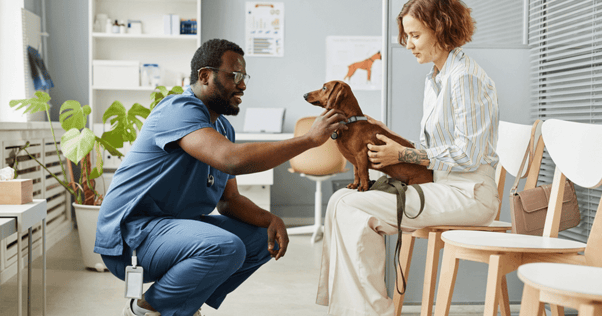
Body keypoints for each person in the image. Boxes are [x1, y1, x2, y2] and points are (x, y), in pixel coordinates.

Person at [95, 38, 347, 316]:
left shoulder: (223, 127)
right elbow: (232, 160)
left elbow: (229, 200)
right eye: (234, 76)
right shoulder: (178, 109)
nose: (243, 85)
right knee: (225, 247)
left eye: (244, 76)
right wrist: (309, 140)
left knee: (261, 237)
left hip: (174, 231)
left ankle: (183, 306)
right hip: (132, 237)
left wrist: (270, 219)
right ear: (205, 76)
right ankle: (145, 309)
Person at [316, 1, 500, 315]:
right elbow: (440, 149)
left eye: (414, 35)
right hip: (442, 186)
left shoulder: (464, 78)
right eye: (406, 35)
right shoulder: (437, 78)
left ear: (440, 29)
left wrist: (401, 153)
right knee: (339, 201)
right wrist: (386, 134)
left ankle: (370, 311)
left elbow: (468, 155)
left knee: (350, 206)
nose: (408, 44)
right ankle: (355, 308)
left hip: (468, 195)